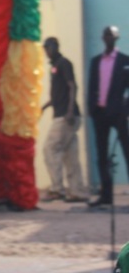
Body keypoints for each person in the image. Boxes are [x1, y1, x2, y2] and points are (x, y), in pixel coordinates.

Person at [40, 37, 89, 203]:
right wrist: (44, 107)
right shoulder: (54, 66)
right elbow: (56, 95)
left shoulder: (63, 63)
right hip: (67, 115)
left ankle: (56, 189)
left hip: (65, 116)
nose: (46, 51)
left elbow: (72, 86)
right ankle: (77, 190)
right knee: (70, 155)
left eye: (47, 48)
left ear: (54, 47)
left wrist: (69, 111)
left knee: (50, 149)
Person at [86, 25, 129, 208]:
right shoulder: (96, 61)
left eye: (111, 35)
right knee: (102, 155)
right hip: (100, 113)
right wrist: (91, 108)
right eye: (106, 35)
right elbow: (91, 85)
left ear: (116, 38)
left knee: (127, 152)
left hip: (118, 114)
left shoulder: (125, 61)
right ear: (103, 38)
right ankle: (106, 195)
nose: (108, 38)